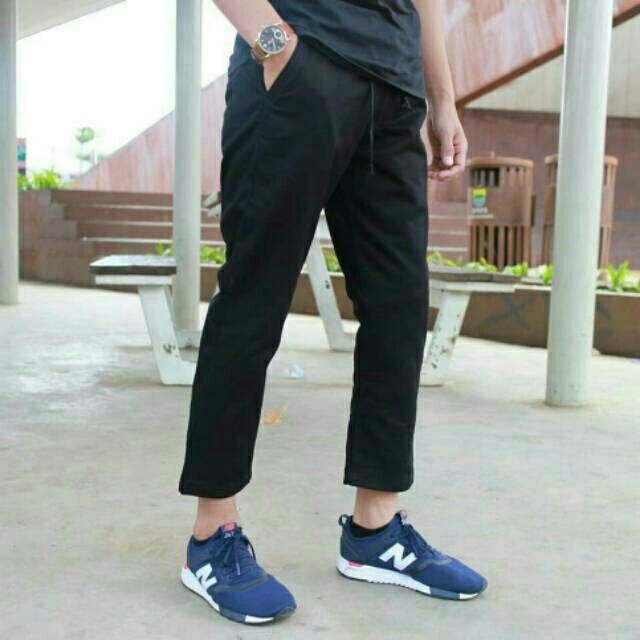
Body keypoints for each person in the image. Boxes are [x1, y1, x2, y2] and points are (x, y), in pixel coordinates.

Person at [178, 0, 487, 625]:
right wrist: (275, 46)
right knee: (253, 302)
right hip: (301, 67)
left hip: (395, 92)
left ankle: (376, 528)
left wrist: (442, 98)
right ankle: (212, 534)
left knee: (399, 307)